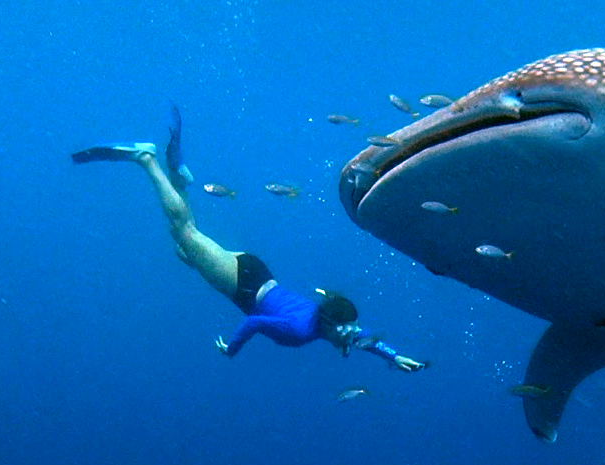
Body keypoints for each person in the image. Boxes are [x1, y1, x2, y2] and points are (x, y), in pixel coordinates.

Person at [70, 106, 426, 370]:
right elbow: (255, 322)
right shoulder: (301, 330)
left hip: (258, 274)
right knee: (185, 232)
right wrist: (232, 349)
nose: (350, 338)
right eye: (347, 333)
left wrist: (394, 357)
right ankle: (145, 158)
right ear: (331, 324)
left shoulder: (325, 323)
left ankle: (180, 175)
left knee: (184, 251)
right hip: (243, 285)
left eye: (349, 334)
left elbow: (363, 336)